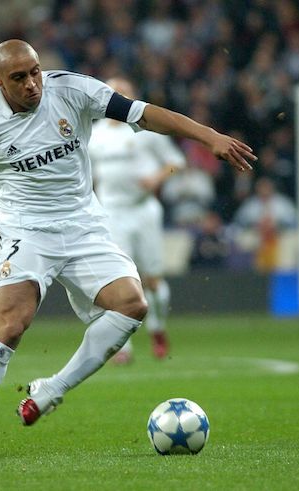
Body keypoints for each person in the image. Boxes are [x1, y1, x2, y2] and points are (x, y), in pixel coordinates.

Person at [0, 40, 256, 457]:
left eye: (35, 72)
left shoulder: (72, 89)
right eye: (19, 78)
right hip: (25, 230)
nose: (32, 84)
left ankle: (52, 389)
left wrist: (209, 136)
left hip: (84, 226)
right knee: (11, 325)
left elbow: (141, 112)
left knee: (132, 304)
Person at [88, 77, 185, 363]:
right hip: (111, 212)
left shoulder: (145, 129)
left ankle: (157, 328)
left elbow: (176, 163)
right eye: (113, 93)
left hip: (143, 211)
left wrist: (156, 178)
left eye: (124, 93)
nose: (118, 98)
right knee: (119, 279)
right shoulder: (94, 133)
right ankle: (123, 346)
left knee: (152, 280)